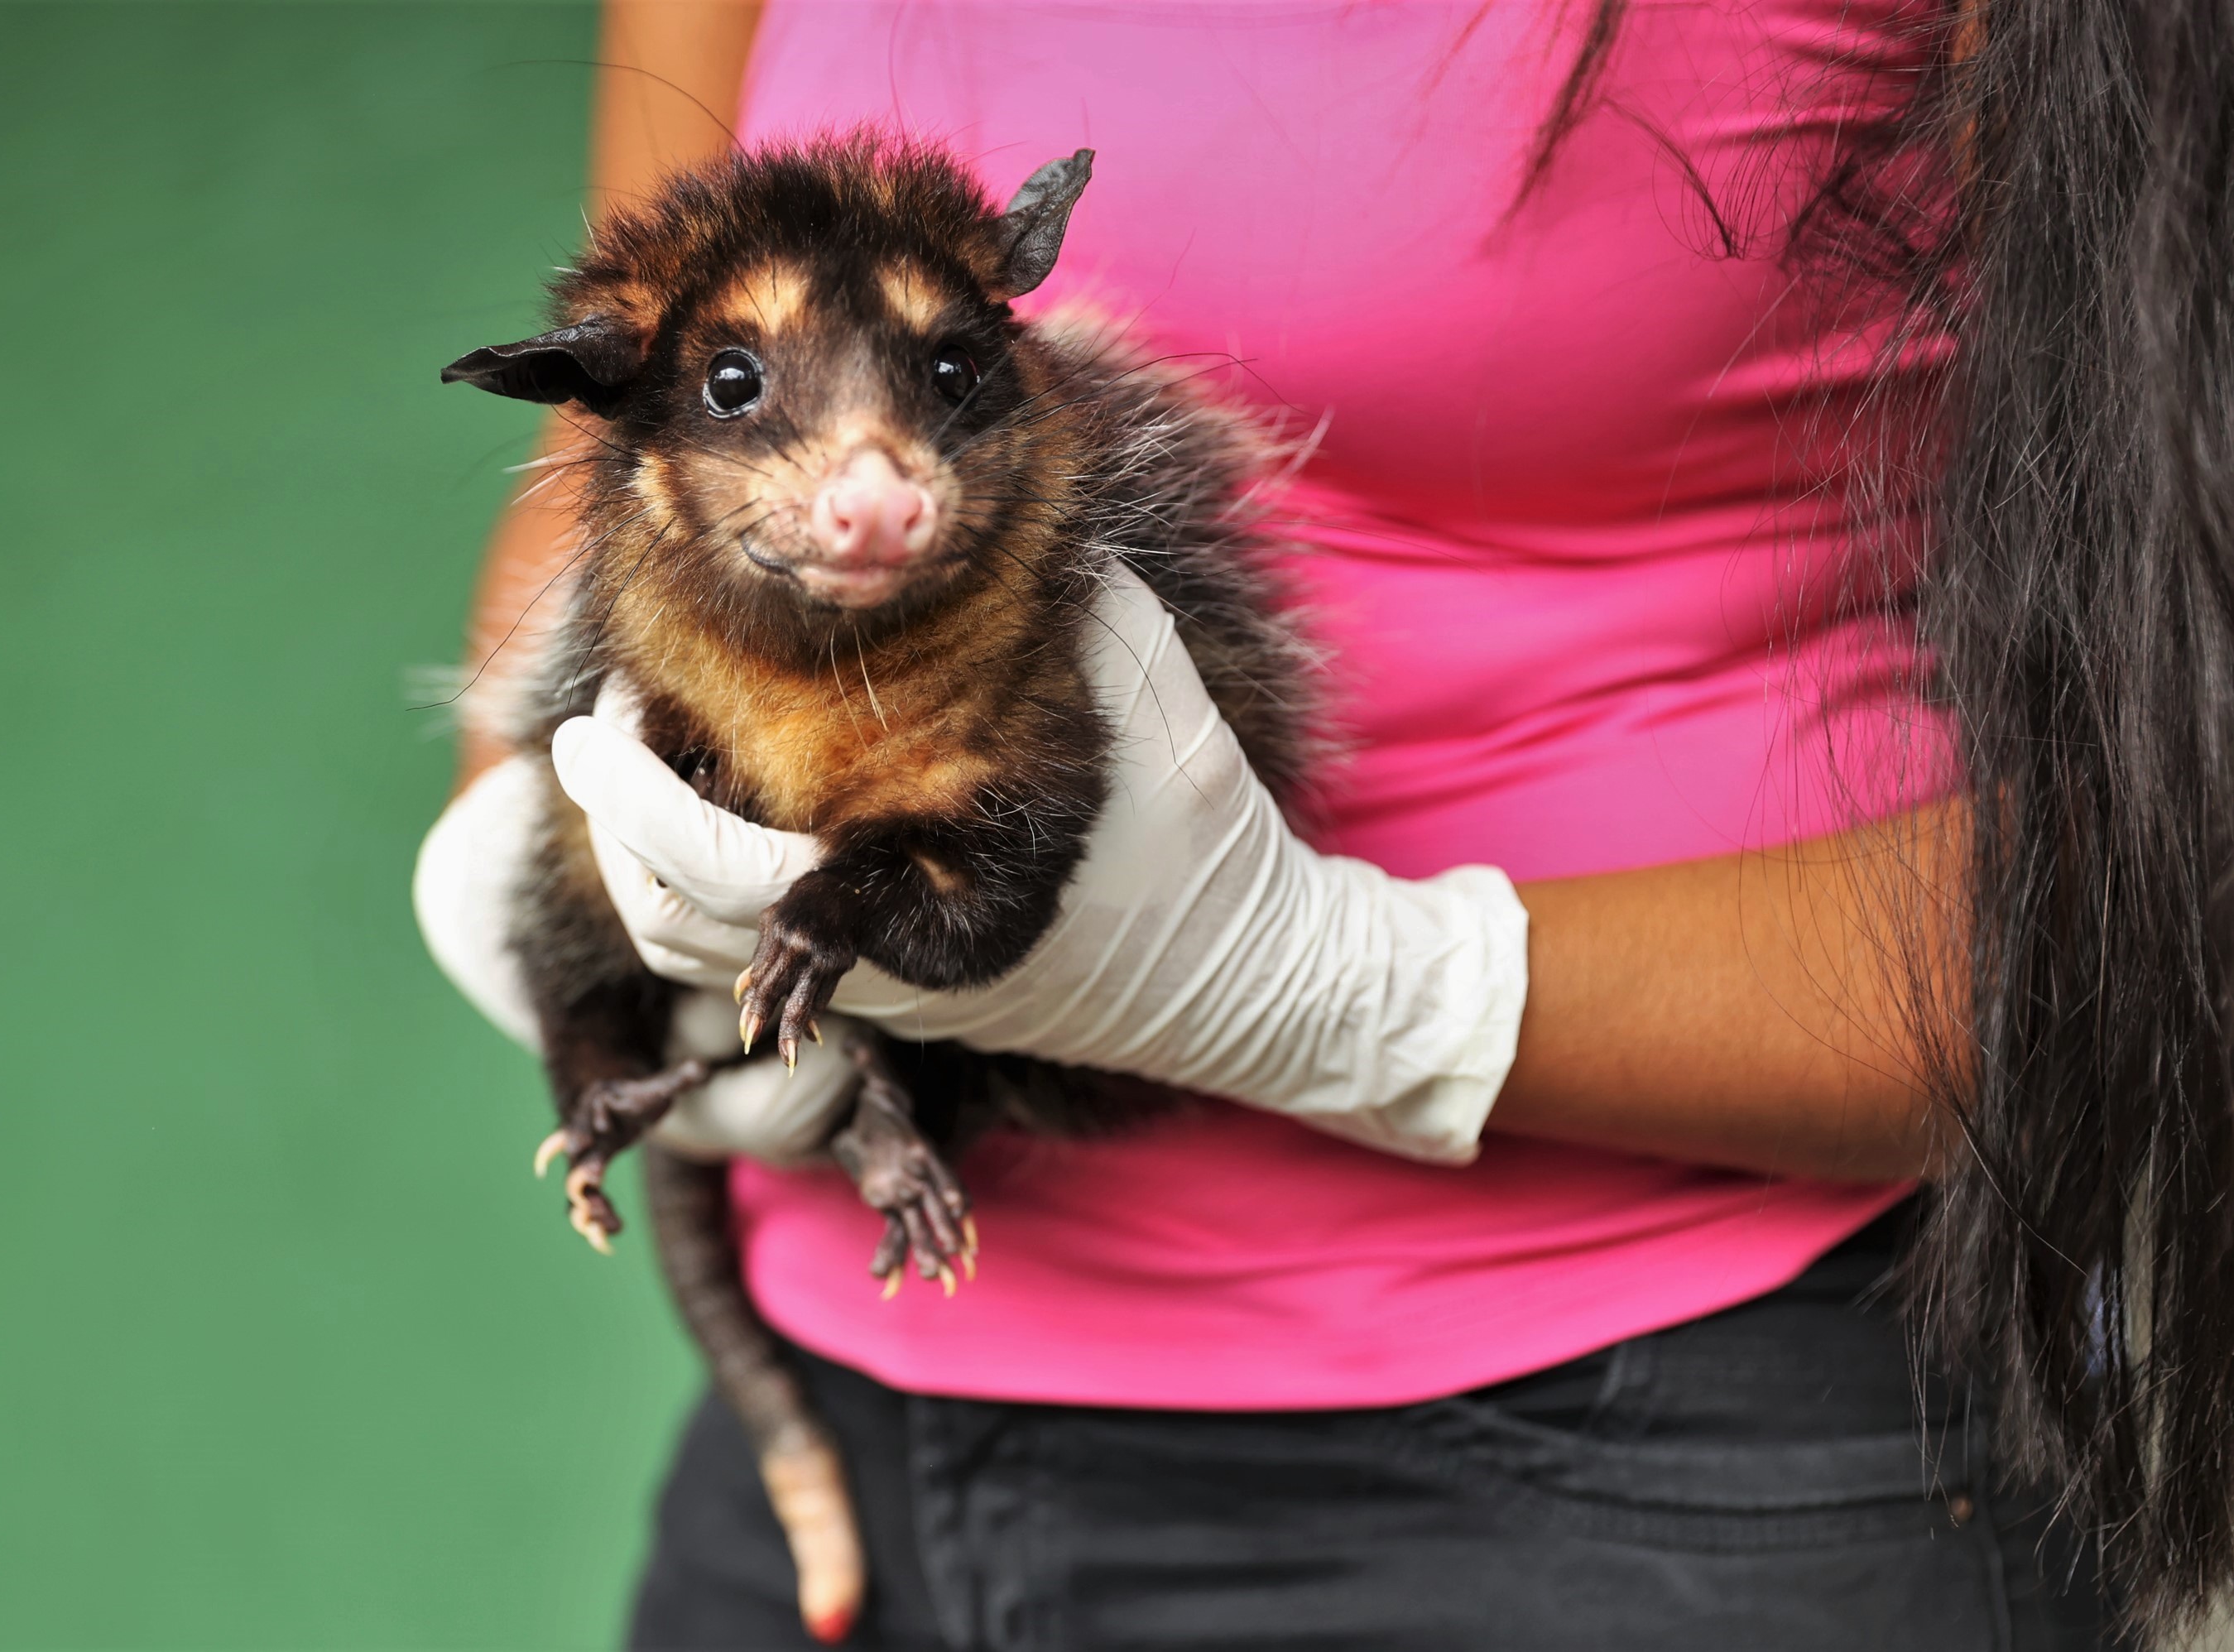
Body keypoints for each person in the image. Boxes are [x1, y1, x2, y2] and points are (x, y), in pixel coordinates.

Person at [416, 2, 2234, 1645]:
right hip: (860, 1404)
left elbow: (2157, 868)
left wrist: (1368, 989)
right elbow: (611, 440)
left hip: (1651, 1458)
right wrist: (546, 828)